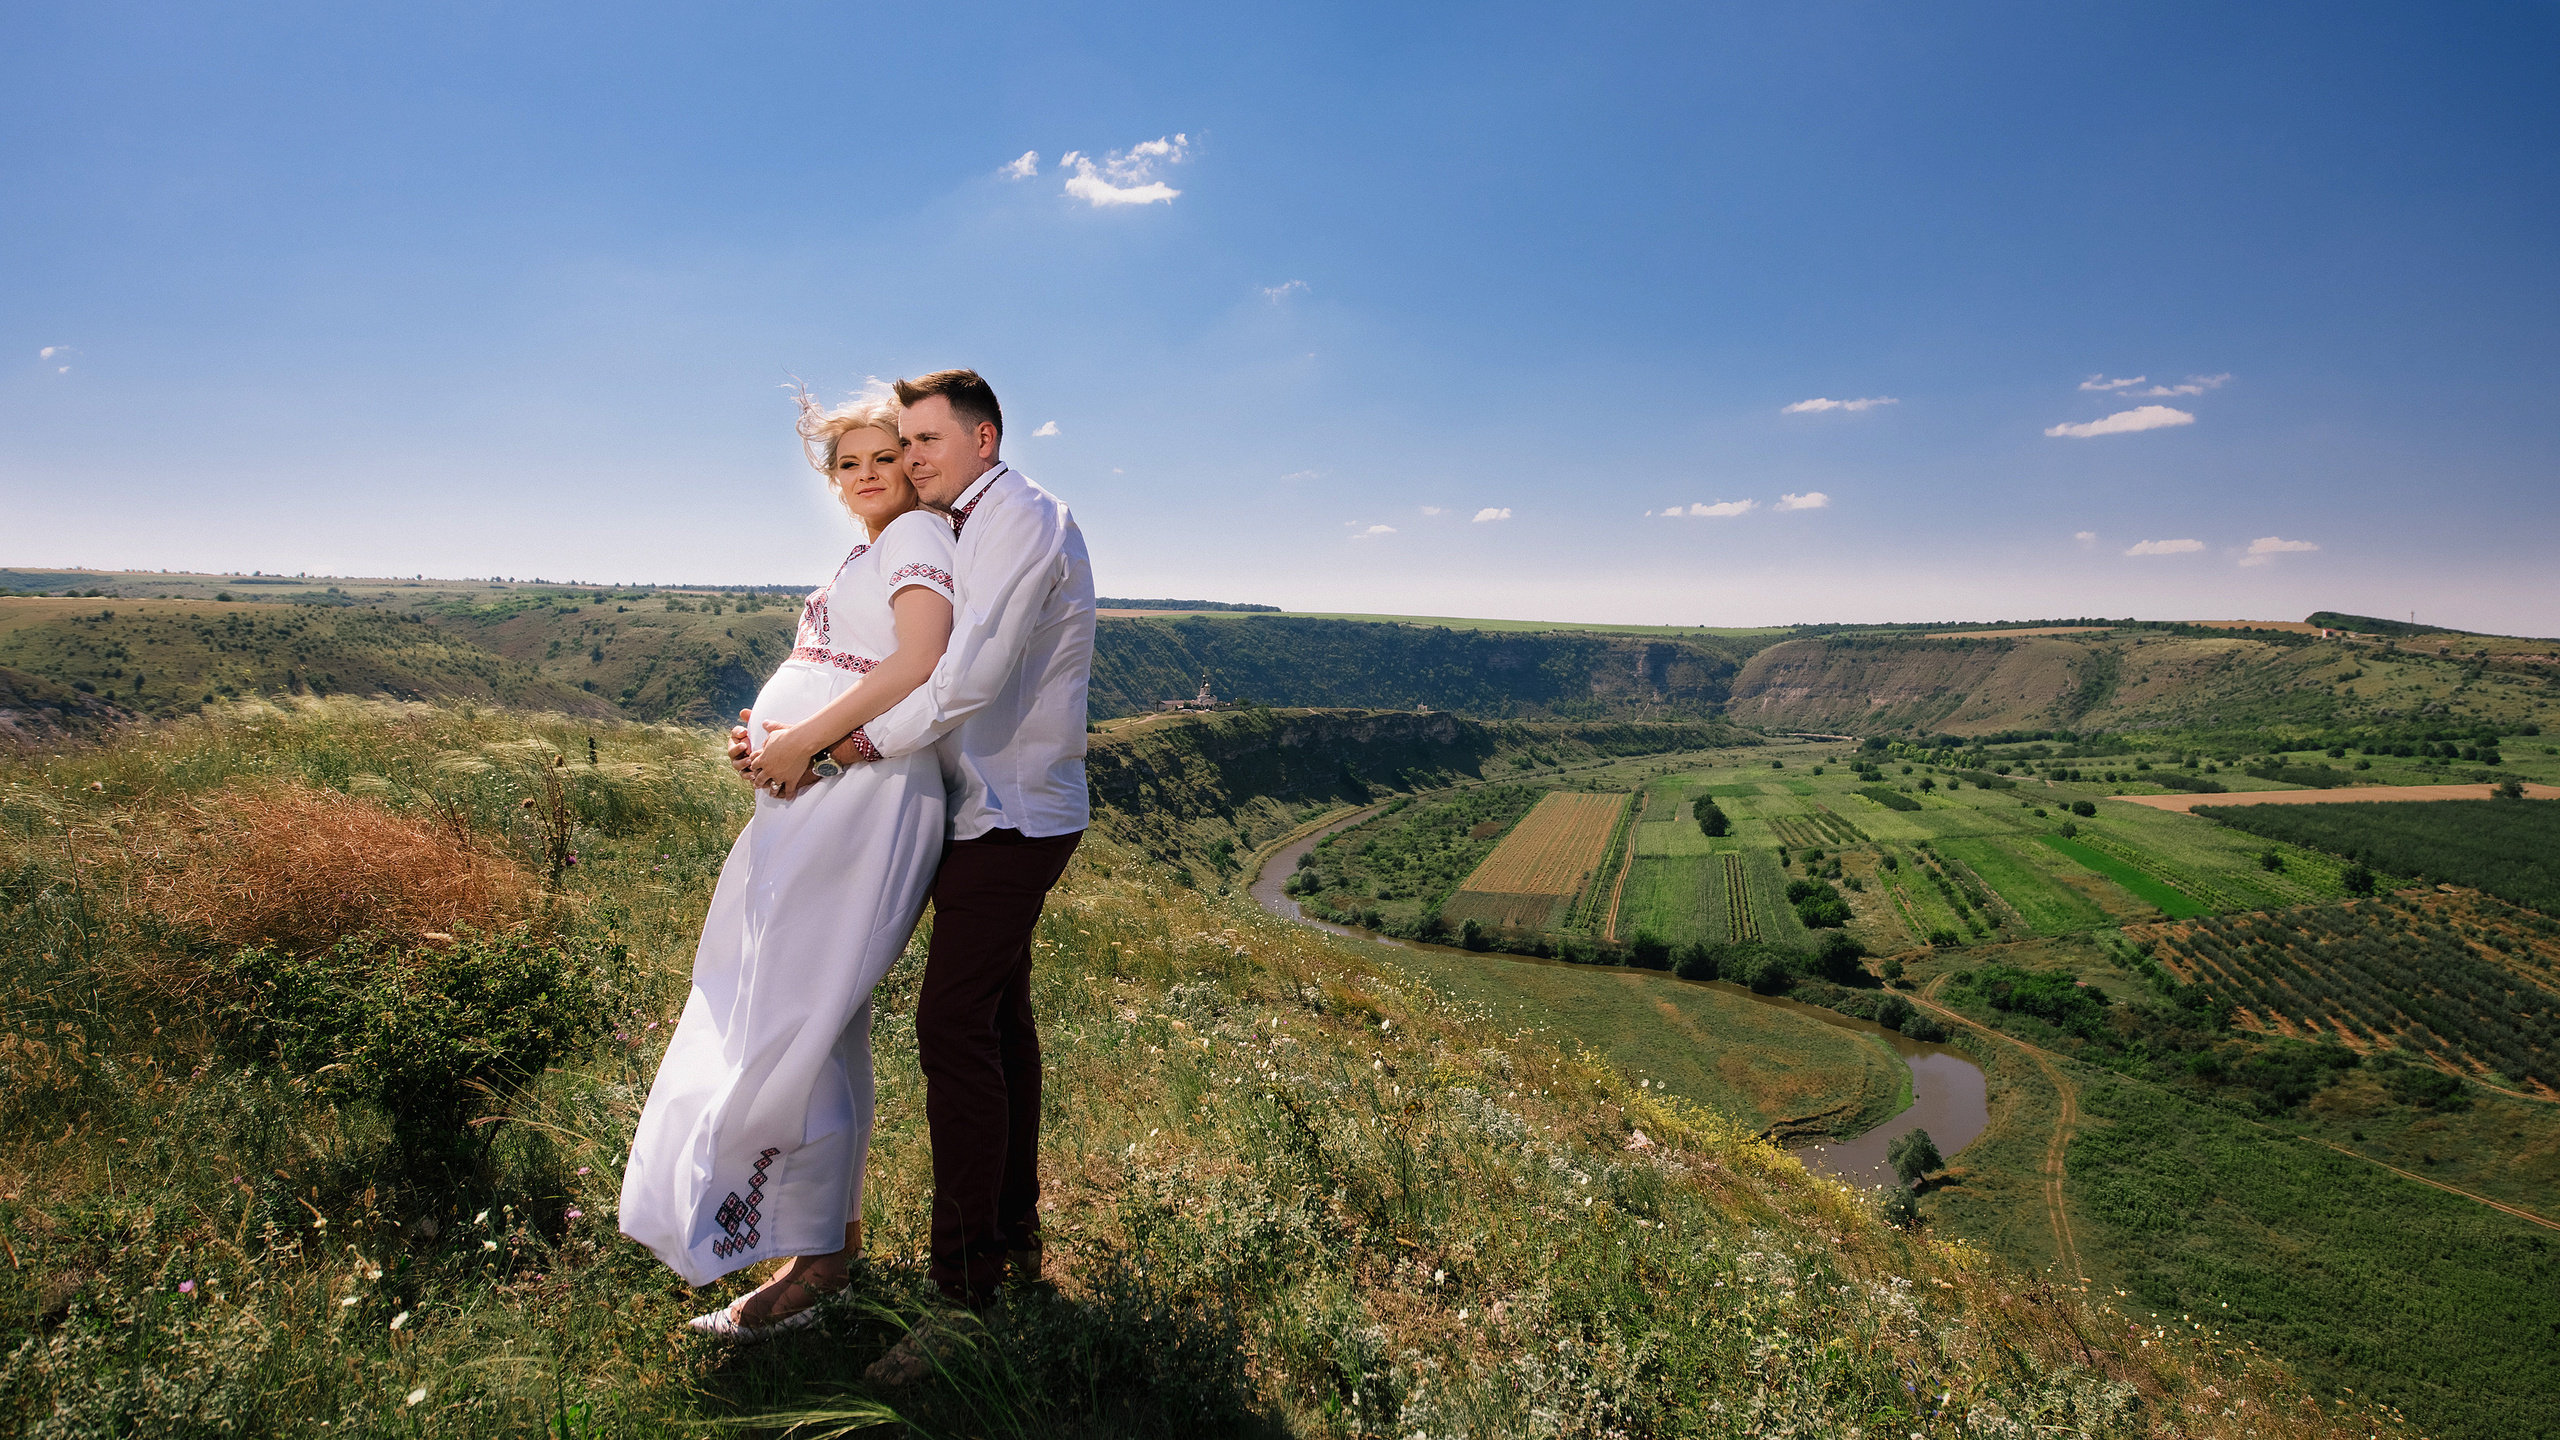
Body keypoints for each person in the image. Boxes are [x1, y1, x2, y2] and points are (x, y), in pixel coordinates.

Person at [733, 369, 1095, 1385]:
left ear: (984, 438)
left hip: (1014, 812)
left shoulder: (1020, 517)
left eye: (929, 439)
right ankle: (1012, 1242)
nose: (914, 458)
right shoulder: (943, 524)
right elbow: (864, 651)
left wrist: (837, 748)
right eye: (904, 443)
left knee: (950, 1026)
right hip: (963, 805)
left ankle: (964, 1296)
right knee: (996, 1024)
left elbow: (968, 675)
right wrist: (781, 730)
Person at [619, 385, 958, 1343]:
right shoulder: (870, 547)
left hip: (861, 796)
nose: (863, 477)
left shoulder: (916, 540)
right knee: (810, 1016)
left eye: (882, 459)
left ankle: (813, 1259)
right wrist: (763, 739)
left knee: (795, 1013)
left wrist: (804, 739)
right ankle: (818, 1246)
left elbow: (920, 660)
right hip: (815, 793)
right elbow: (847, 661)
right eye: (846, 464)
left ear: (913, 462)